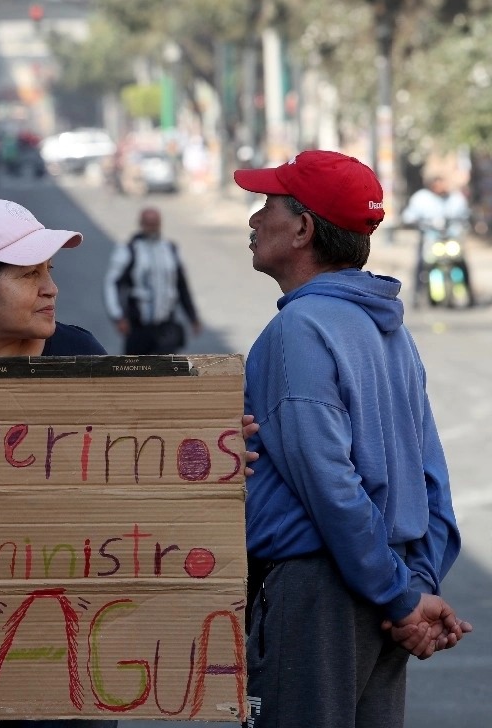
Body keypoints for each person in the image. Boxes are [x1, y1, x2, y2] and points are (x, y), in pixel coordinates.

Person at [0, 198, 261, 728]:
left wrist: (205, 468)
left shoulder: (80, 354)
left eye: (49, 271)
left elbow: (138, 489)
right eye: (29, 274)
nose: (50, 287)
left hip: (74, 664)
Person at [233, 150, 472, 728]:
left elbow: (329, 484)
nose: (252, 219)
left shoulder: (298, 328)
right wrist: (413, 589)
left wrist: (399, 598)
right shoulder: (387, 327)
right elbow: (431, 482)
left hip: (322, 595)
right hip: (384, 587)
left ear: (303, 229)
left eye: (267, 205)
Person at [103, 206, 202, 355]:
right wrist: (118, 316)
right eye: (148, 223)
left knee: (167, 373)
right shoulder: (129, 250)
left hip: (166, 327)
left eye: (155, 223)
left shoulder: (170, 249)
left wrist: (193, 317)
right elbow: (111, 283)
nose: (152, 227)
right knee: (137, 372)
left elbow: (181, 285)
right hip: (138, 327)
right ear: (141, 223)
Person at [400, 174, 473, 307]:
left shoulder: (456, 199)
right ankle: (416, 295)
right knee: (421, 263)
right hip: (430, 238)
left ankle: (470, 295)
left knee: (461, 262)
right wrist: (415, 222)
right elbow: (409, 216)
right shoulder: (421, 198)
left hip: (451, 238)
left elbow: (466, 214)